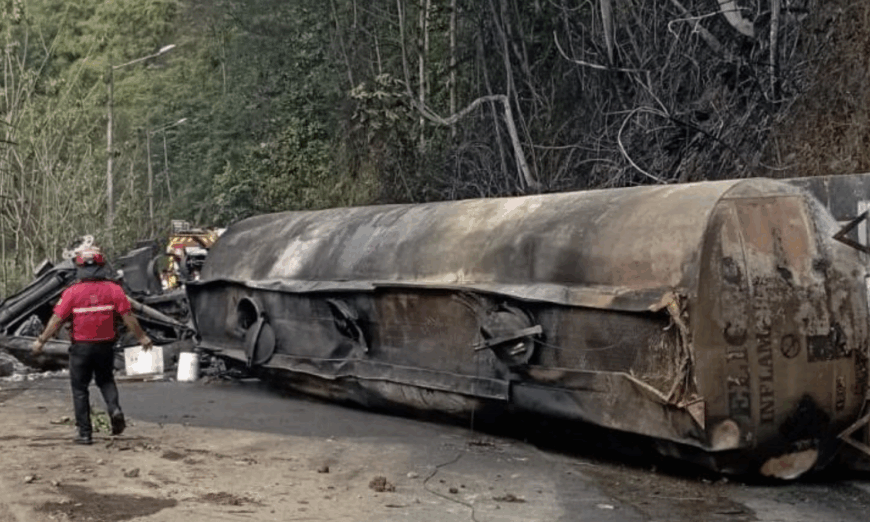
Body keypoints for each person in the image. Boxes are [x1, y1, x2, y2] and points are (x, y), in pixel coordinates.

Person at [31, 246, 154, 445]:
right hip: (105, 346)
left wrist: (41, 340)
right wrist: (142, 338)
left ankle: (85, 434)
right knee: (105, 380)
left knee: (80, 389)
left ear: (78, 267)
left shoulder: (72, 292)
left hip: (81, 348)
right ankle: (114, 409)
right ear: (102, 266)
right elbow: (128, 317)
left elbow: (57, 319)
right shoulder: (114, 289)